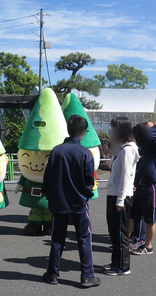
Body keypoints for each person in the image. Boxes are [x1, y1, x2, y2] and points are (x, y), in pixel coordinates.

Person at [41, 115, 101, 288]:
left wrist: (49, 195)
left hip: (59, 203)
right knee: (83, 238)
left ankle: (52, 273)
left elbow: (48, 177)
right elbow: (89, 180)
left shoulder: (57, 151)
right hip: (79, 204)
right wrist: (86, 194)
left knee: (57, 239)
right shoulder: (85, 153)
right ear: (82, 132)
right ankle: (87, 275)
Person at [104, 117, 139, 276]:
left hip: (120, 197)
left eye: (114, 129)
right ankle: (115, 263)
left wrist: (120, 200)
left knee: (120, 233)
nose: (112, 132)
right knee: (114, 232)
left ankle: (123, 267)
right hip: (115, 194)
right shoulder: (122, 148)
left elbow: (126, 176)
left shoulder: (127, 150)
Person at [130, 121, 156, 255]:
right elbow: (136, 131)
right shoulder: (140, 145)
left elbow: (151, 137)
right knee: (133, 216)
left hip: (151, 185)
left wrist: (155, 127)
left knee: (149, 219)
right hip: (138, 185)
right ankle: (129, 240)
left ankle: (148, 246)